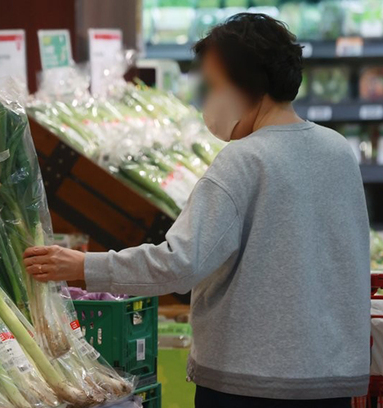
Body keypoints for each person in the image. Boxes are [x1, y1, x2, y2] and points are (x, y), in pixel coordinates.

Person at [23, 13, 370, 408]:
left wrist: (83, 266)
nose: (207, 100)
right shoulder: (338, 151)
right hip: (331, 382)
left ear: (244, 83)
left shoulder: (243, 160)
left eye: (212, 85)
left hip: (248, 386)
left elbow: (181, 264)